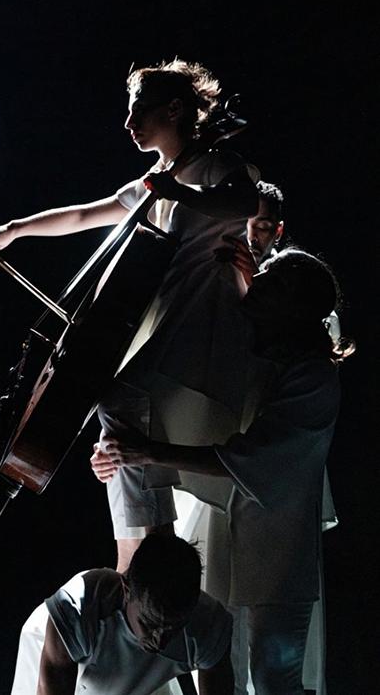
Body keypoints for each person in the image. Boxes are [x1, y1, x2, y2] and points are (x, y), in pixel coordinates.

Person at [0, 58, 259, 571]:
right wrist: (15, 229)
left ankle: (150, 554)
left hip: (202, 327)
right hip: (166, 328)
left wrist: (177, 191)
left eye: (139, 111)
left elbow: (243, 203)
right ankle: (146, 558)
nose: (129, 124)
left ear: (174, 110)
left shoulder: (217, 165)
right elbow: (86, 214)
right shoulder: (153, 181)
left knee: (117, 400)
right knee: (117, 427)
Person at [92, 249, 354, 695]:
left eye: (271, 279)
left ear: (295, 304)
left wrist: (147, 452)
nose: (257, 280)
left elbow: (249, 460)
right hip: (221, 535)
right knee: (215, 669)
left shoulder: (314, 379)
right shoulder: (249, 353)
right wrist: (118, 454)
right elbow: (177, 408)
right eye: (261, 273)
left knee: (274, 678)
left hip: (279, 552)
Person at [10, 534, 234, 695]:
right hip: (56, 655)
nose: (160, 641)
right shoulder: (77, 610)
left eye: (173, 627)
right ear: (126, 591)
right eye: (148, 623)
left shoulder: (210, 626)